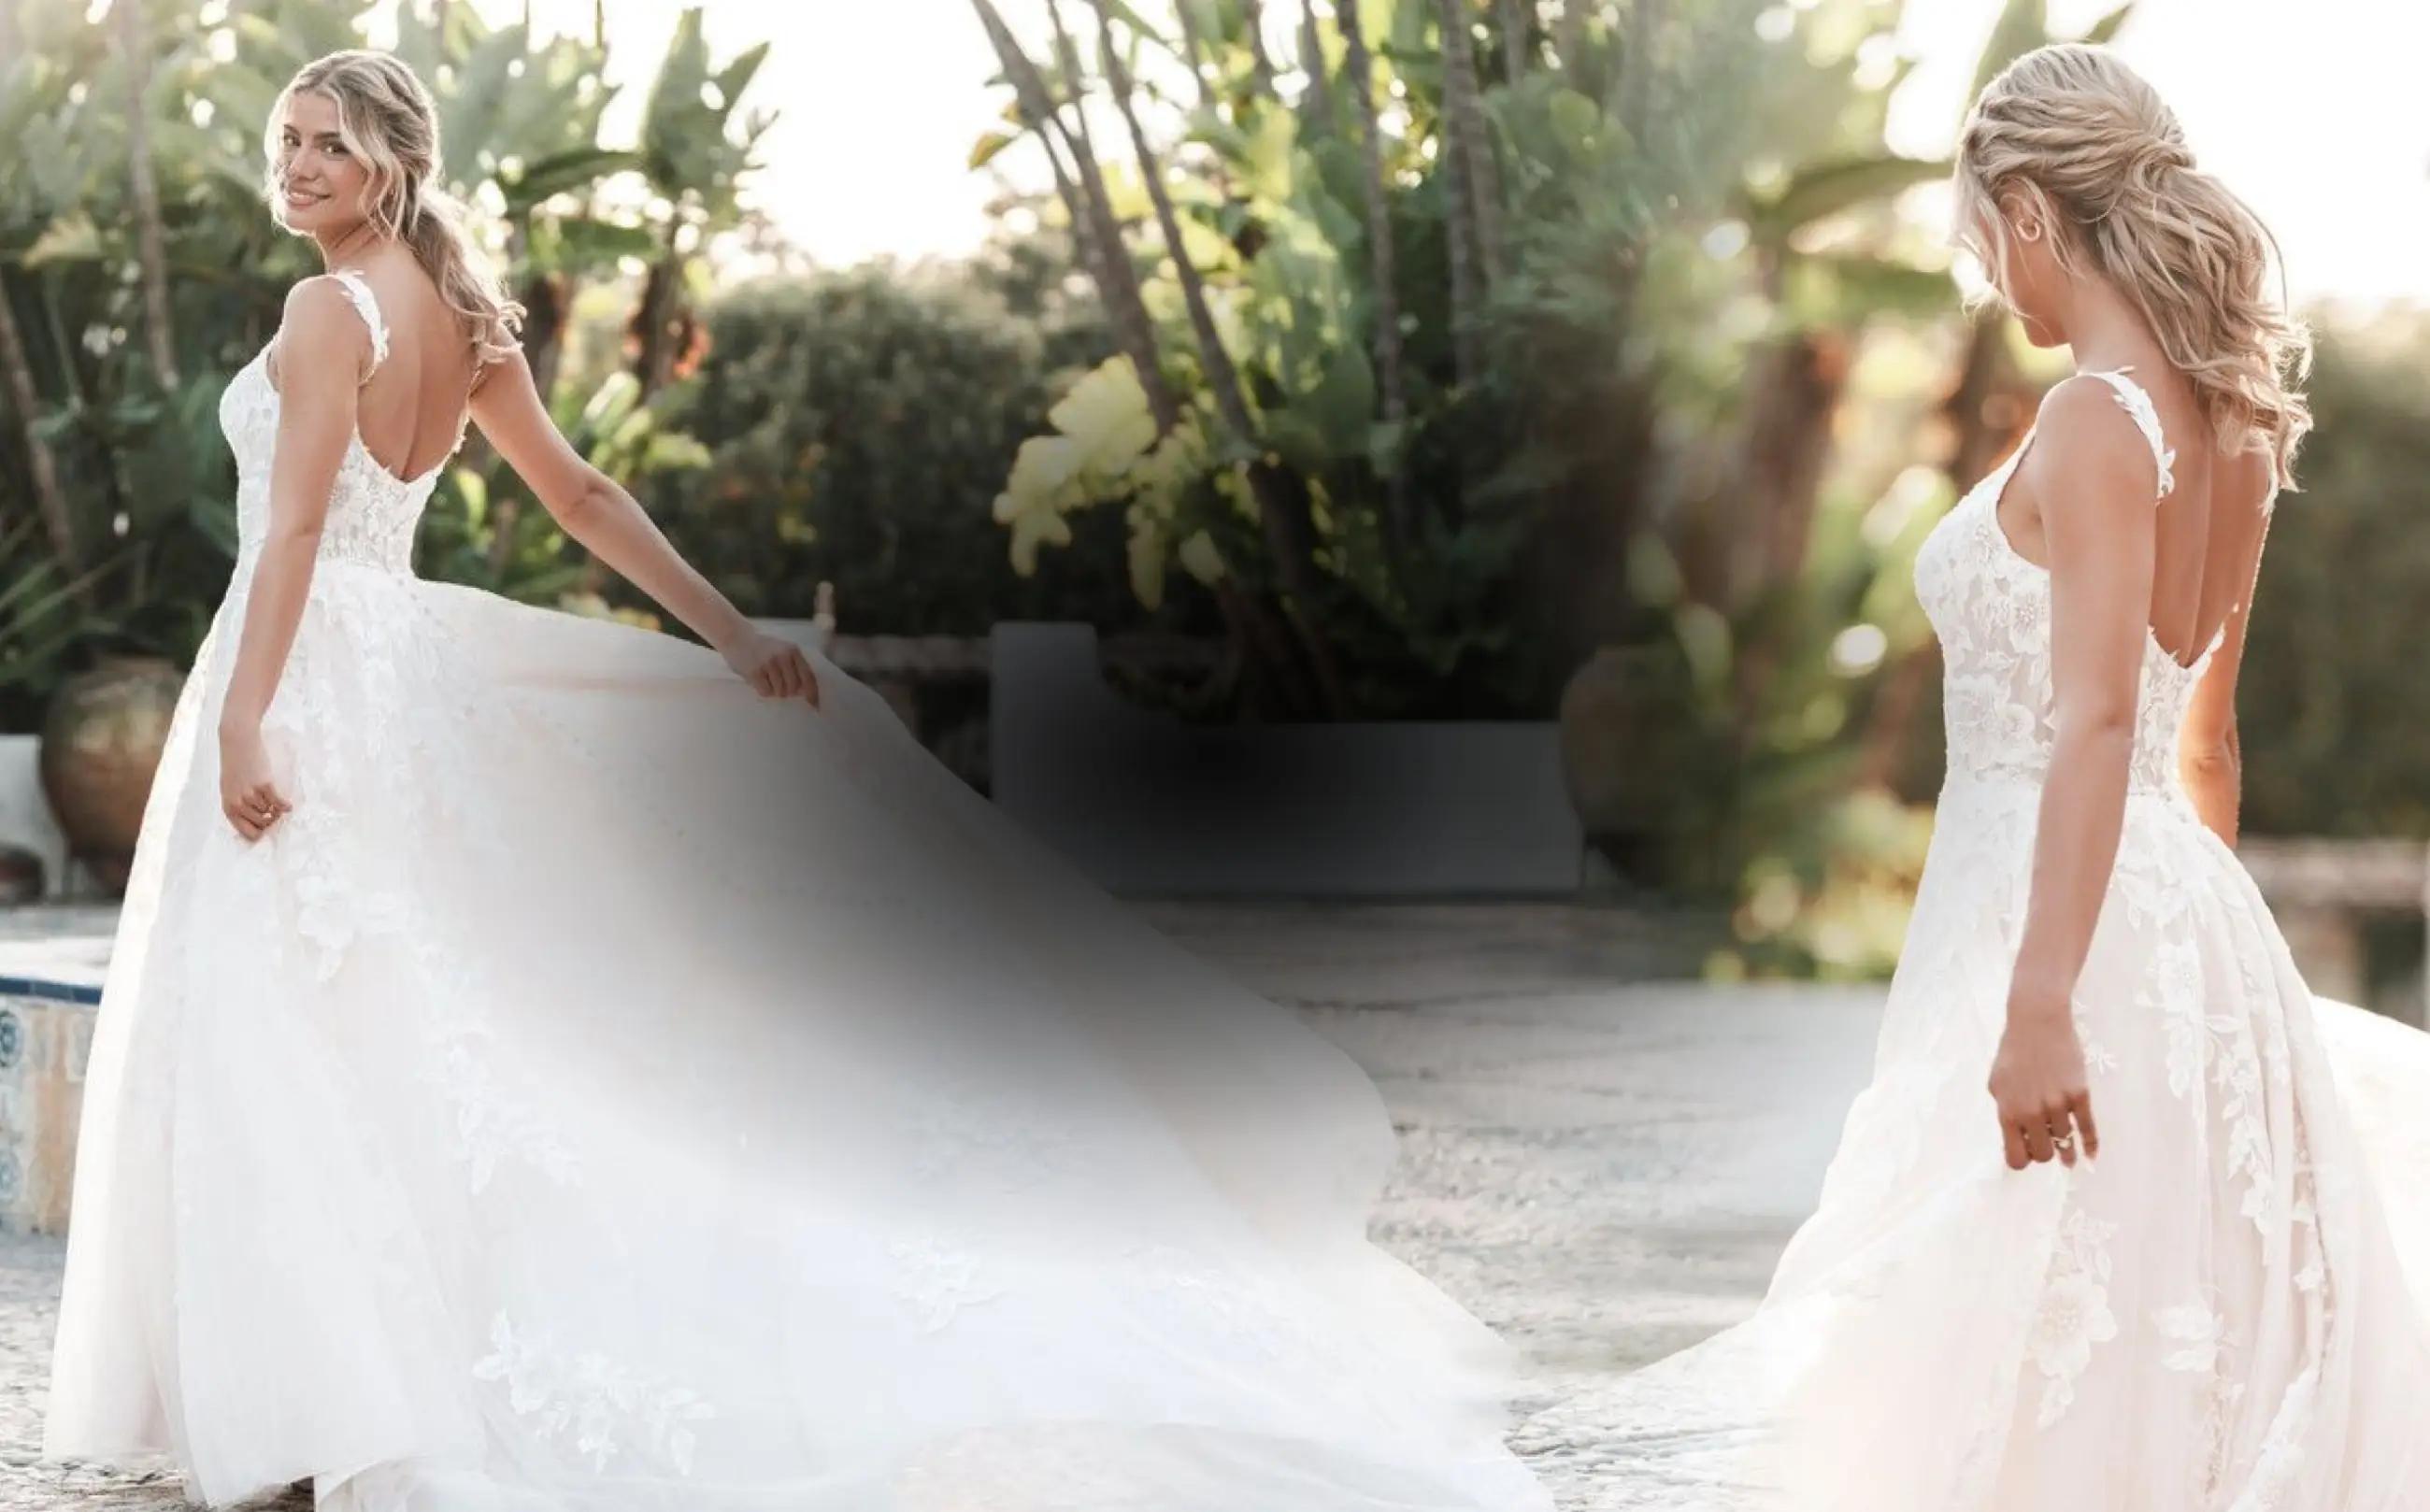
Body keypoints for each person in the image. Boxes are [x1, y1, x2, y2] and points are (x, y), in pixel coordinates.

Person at [38, 49, 1555, 1512]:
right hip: (400, 688)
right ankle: (351, 1380)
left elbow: (296, 532)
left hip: (306, 676)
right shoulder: (457, 310)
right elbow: (579, 493)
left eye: (325, 143)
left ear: (393, 162)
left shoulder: (327, 309)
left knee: (303, 1032)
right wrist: (731, 632)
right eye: (287, 141)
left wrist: (242, 721)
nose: (294, 167)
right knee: (380, 1030)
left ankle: (328, 1392)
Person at [1576, 42, 2430, 1511]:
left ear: (2031, 207)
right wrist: (2206, 981)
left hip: (2069, 929)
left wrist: (2048, 1000)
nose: (1988, 281)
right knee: (2142, 1340)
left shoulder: (2096, 415)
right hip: (2168, 911)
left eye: (1984, 240)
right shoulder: (2232, 414)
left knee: (2008, 1337)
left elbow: (2103, 720)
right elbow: (2204, 742)